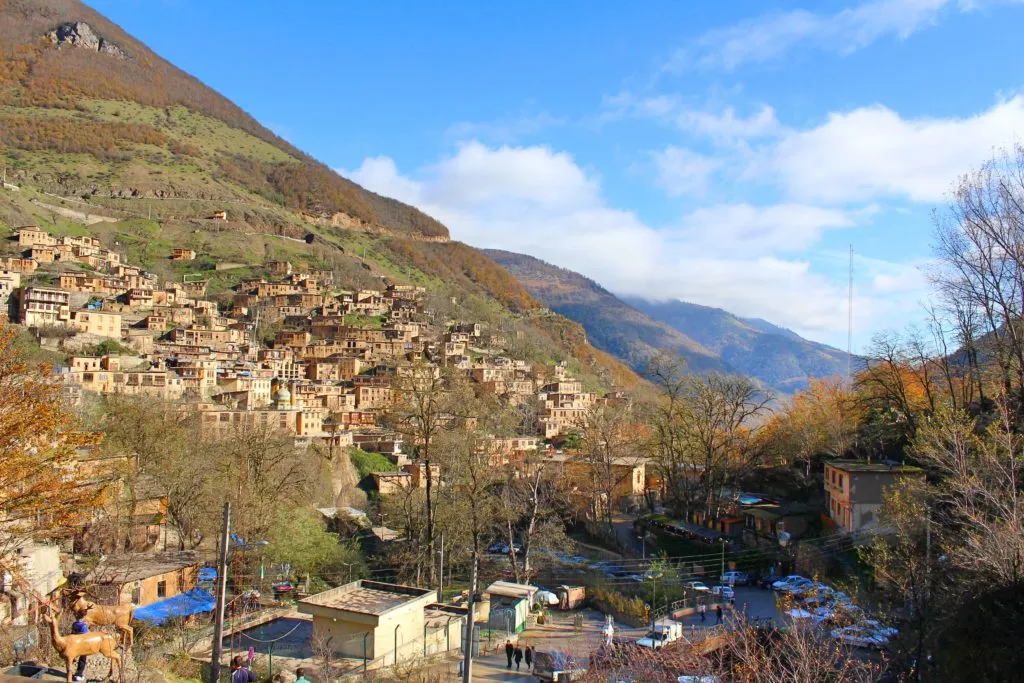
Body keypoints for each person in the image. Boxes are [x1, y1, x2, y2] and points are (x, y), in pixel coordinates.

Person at [71, 615, 89, 682]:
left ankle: (71, 671)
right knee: (82, 659)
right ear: (83, 617)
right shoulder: (84, 626)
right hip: (82, 644)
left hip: (75, 643)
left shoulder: (74, 624)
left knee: (73, 659)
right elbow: (86, 636)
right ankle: (79, 674)